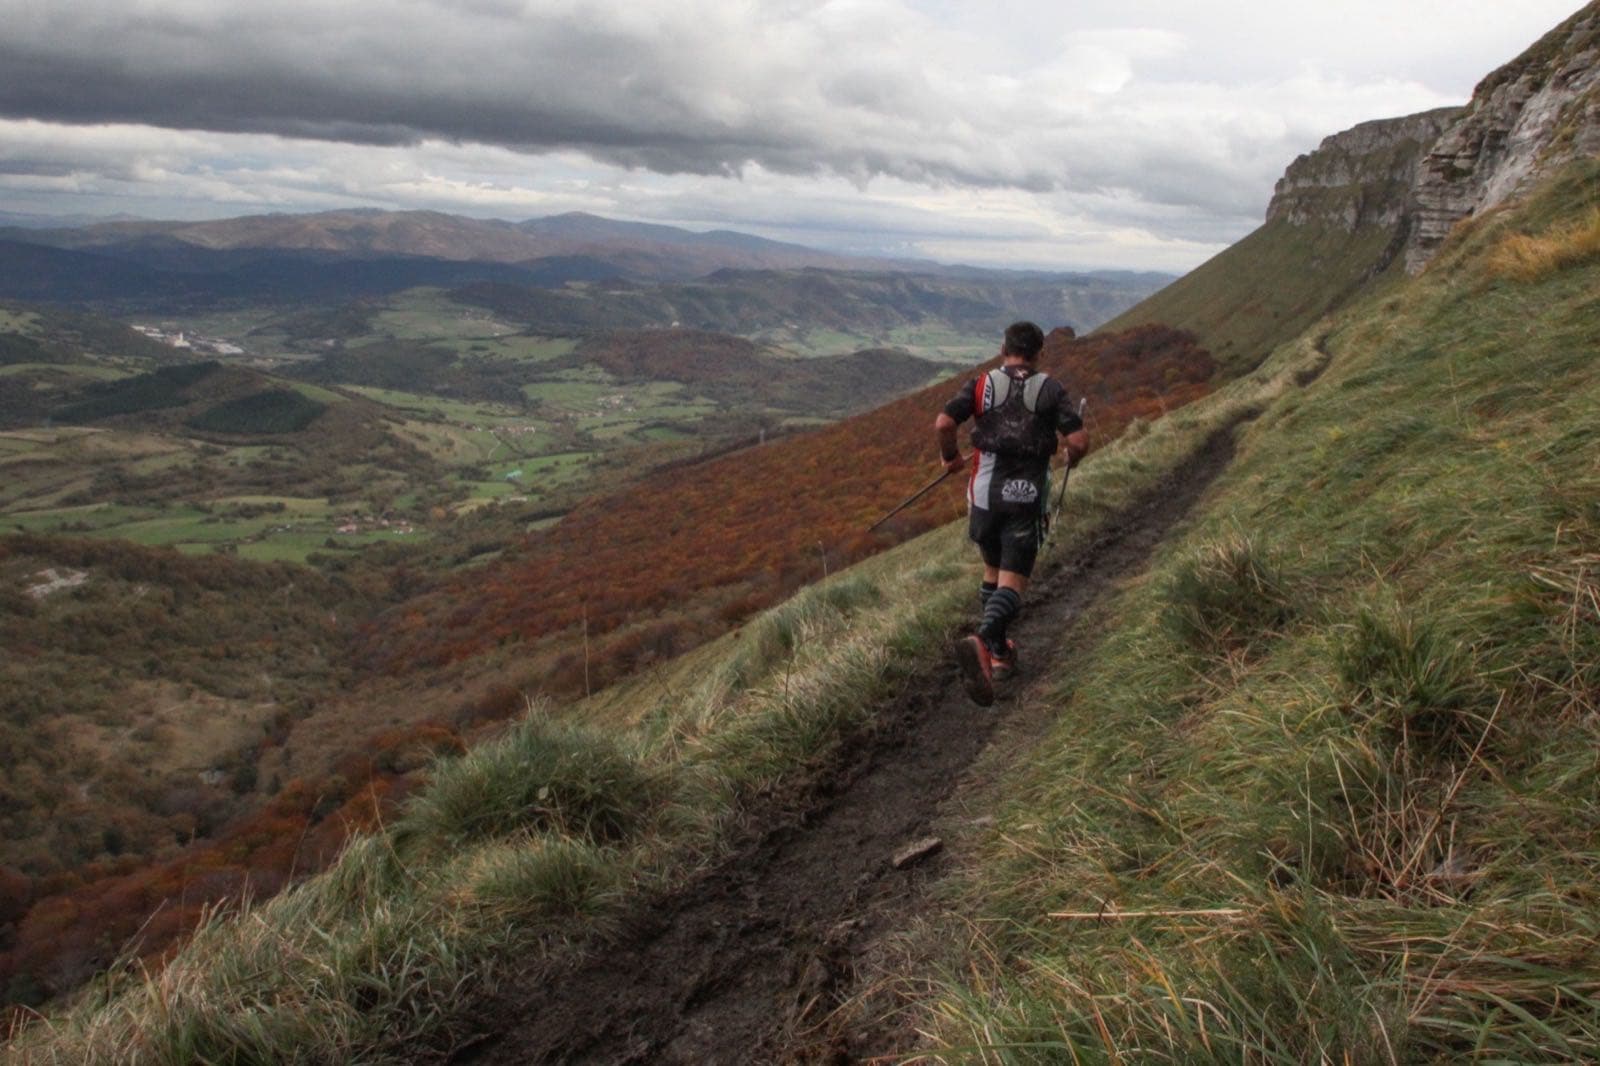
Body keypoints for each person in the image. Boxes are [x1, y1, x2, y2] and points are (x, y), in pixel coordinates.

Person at [934, 321, 1089, 706]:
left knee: (992, 572)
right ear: (1039, 353)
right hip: (1026, 494)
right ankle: (984, 641)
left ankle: (1000, 655)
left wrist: (951, 457)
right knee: (1013, 583)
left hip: (984, 494)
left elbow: (944, 422)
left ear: (1004, 348)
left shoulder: (982, 384)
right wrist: (1073, 454)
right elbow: (1078, 440)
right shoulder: (1050, 388)